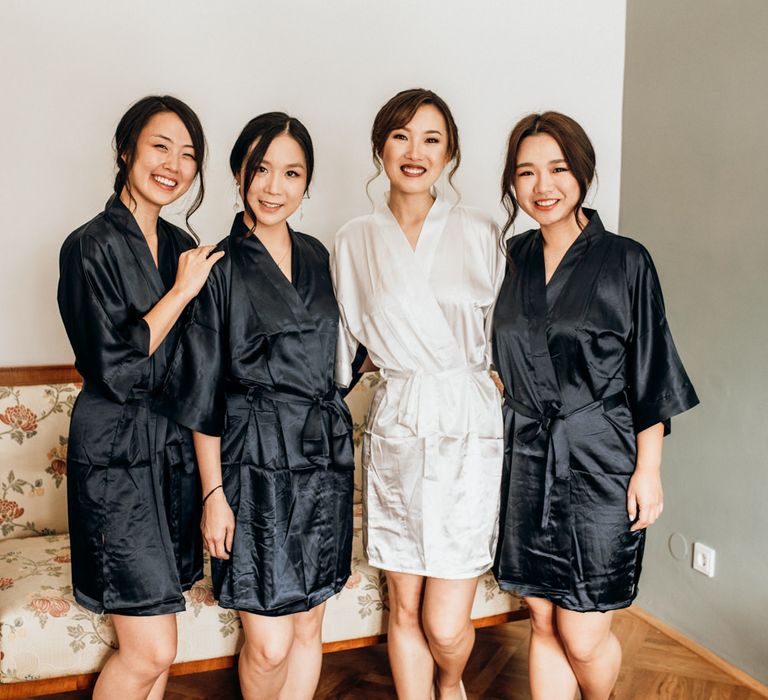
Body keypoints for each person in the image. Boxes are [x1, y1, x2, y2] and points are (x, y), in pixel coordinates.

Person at [491, 111, 699, 700]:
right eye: (526, 173)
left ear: (581, 172)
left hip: (601, 462)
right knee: (541, 618)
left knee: (582, 630)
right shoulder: (509, 259)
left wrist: (648, 470)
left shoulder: (626, 261)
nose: (542, 186)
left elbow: (650, 371)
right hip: (526, 459)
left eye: (557, 169)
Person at [156, 112, 354, 700]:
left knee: (310, 621)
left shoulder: (320, 256)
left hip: (322, 463)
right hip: (252, 465)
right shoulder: (215, 266)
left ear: (307, 183)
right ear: (240, 173)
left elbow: (342, 357)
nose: (274, 187)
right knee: (267, 642)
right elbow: (202, 390)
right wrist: (214, 496)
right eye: (262, 170)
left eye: (292, 173)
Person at [331, 88, 505, 700]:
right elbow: (340, 351)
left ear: (449, 152)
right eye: (401, 136)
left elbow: (514, 328)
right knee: (402, 605)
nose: (414, 151)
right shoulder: (353, 239)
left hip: (467, 422)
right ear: (380, 146)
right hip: (399, 420)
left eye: (431, 139)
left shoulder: (483, 229)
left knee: (445, 621)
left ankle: (451, 682)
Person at [57, 95, 222, 700]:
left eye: (188, 155)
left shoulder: (185, 245)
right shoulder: (88, 246)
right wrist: (181, 292)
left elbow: (201, 366)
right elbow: (115, 365)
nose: (174, 164)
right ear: (126, 149)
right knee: (151, 648)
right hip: (114, 453)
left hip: (170, 451)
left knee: (157, 654)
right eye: (160, 146)